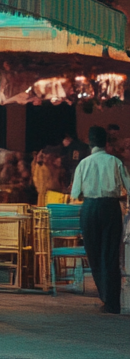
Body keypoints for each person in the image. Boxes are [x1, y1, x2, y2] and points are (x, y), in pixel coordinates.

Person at [70, 126, 127, 314]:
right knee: (111, 254)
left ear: (90, 142)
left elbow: (75, 193)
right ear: (106, 143)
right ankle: (112, 302)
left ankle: (104, 295)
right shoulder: (115, 162)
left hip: (90, 208)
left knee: (93, 254)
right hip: (111, 208)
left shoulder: (83, 164)